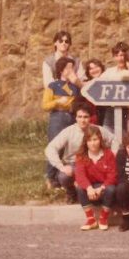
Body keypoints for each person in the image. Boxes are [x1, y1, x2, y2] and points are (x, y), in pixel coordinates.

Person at [45, 101, 117, 203]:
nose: (82, 120)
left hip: (91, 162)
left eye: (85, 117)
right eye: (80, 117)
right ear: (76, 117)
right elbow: (50, 148)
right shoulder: (69, 131)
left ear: (90, 118)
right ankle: (71, 192)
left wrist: (113, 154)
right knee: (64, 176)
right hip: (73, 164)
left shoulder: (96, 129)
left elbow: (114, 140)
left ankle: (93, 194)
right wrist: (61, 167)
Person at [42, 56, 81, 189]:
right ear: (61, 70)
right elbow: (45, 105)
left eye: (72, 67)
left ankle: (63, 177)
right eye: (68, 67)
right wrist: (57, 101)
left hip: (71, 117)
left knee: (69, 148)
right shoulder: (52, 86)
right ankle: (50, 178)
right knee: (56, 146)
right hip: (57, 117)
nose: (71, 70)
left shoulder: (75, 87)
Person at [74, 126, 117, 231]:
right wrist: (89, 188)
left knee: (111, 189)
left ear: (100, 140)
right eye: (89, 140)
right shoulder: (81, 155)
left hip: (103, 187)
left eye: (95, 139)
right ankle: (91, 220)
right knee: (80, 187)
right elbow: (80, 175)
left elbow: (113, 175)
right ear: (86, 142)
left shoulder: (108, 154)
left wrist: (102, 188)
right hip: (91, 188)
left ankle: (103, 218)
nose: (92, 143)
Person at [82, 58, 106, 125]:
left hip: (105, 115)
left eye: (96, 67)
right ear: (88, 72)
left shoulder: (108, 82)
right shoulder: (85, 84)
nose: (94, 70)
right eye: (91, 68)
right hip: (91, 118)